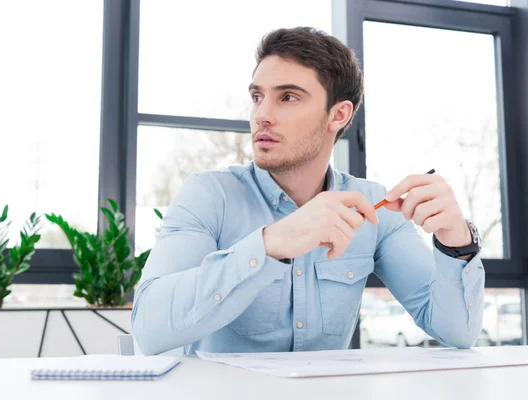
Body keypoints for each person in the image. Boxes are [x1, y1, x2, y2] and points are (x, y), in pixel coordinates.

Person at [131, 27, 484, 355]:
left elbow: (456, 333)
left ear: (339, 115)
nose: (261, 115)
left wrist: (457, 241)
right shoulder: (208, 196)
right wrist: (268, 245)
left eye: (287, 97)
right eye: (257, 96)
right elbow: (148, 330)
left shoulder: (375, 209)